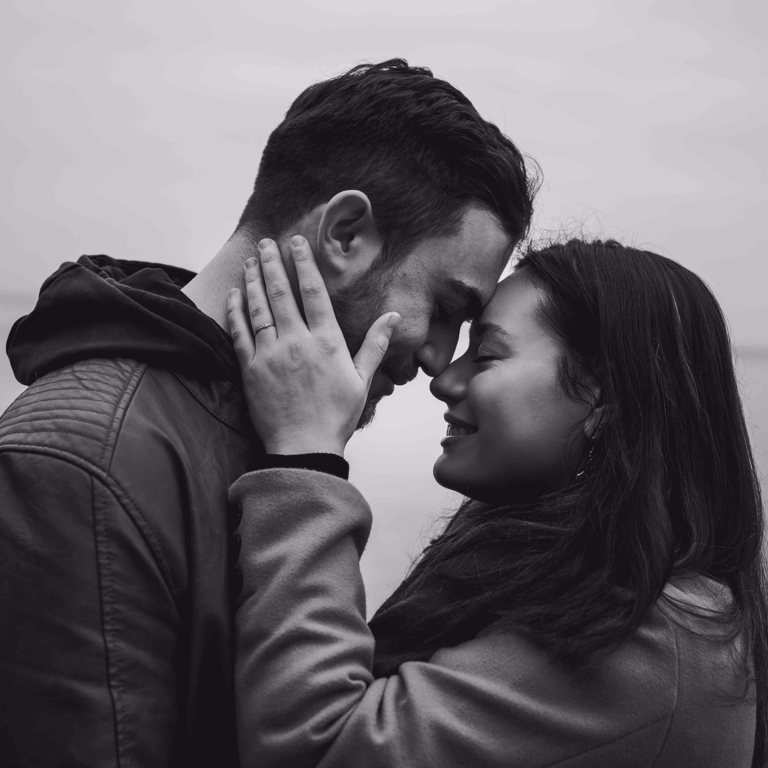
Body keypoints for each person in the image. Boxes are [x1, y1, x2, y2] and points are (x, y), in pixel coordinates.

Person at [0, 60, 535, 767]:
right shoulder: (79, 466)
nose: (441, 359)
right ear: (345, 234)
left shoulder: (276, 429)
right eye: (445, 307)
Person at [226, 236, 767, 767]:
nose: (444, 379)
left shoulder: (648, 635)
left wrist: (306, 457)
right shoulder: (569, 573)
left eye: (485, 355)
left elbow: (319, 748)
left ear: (606, 399)